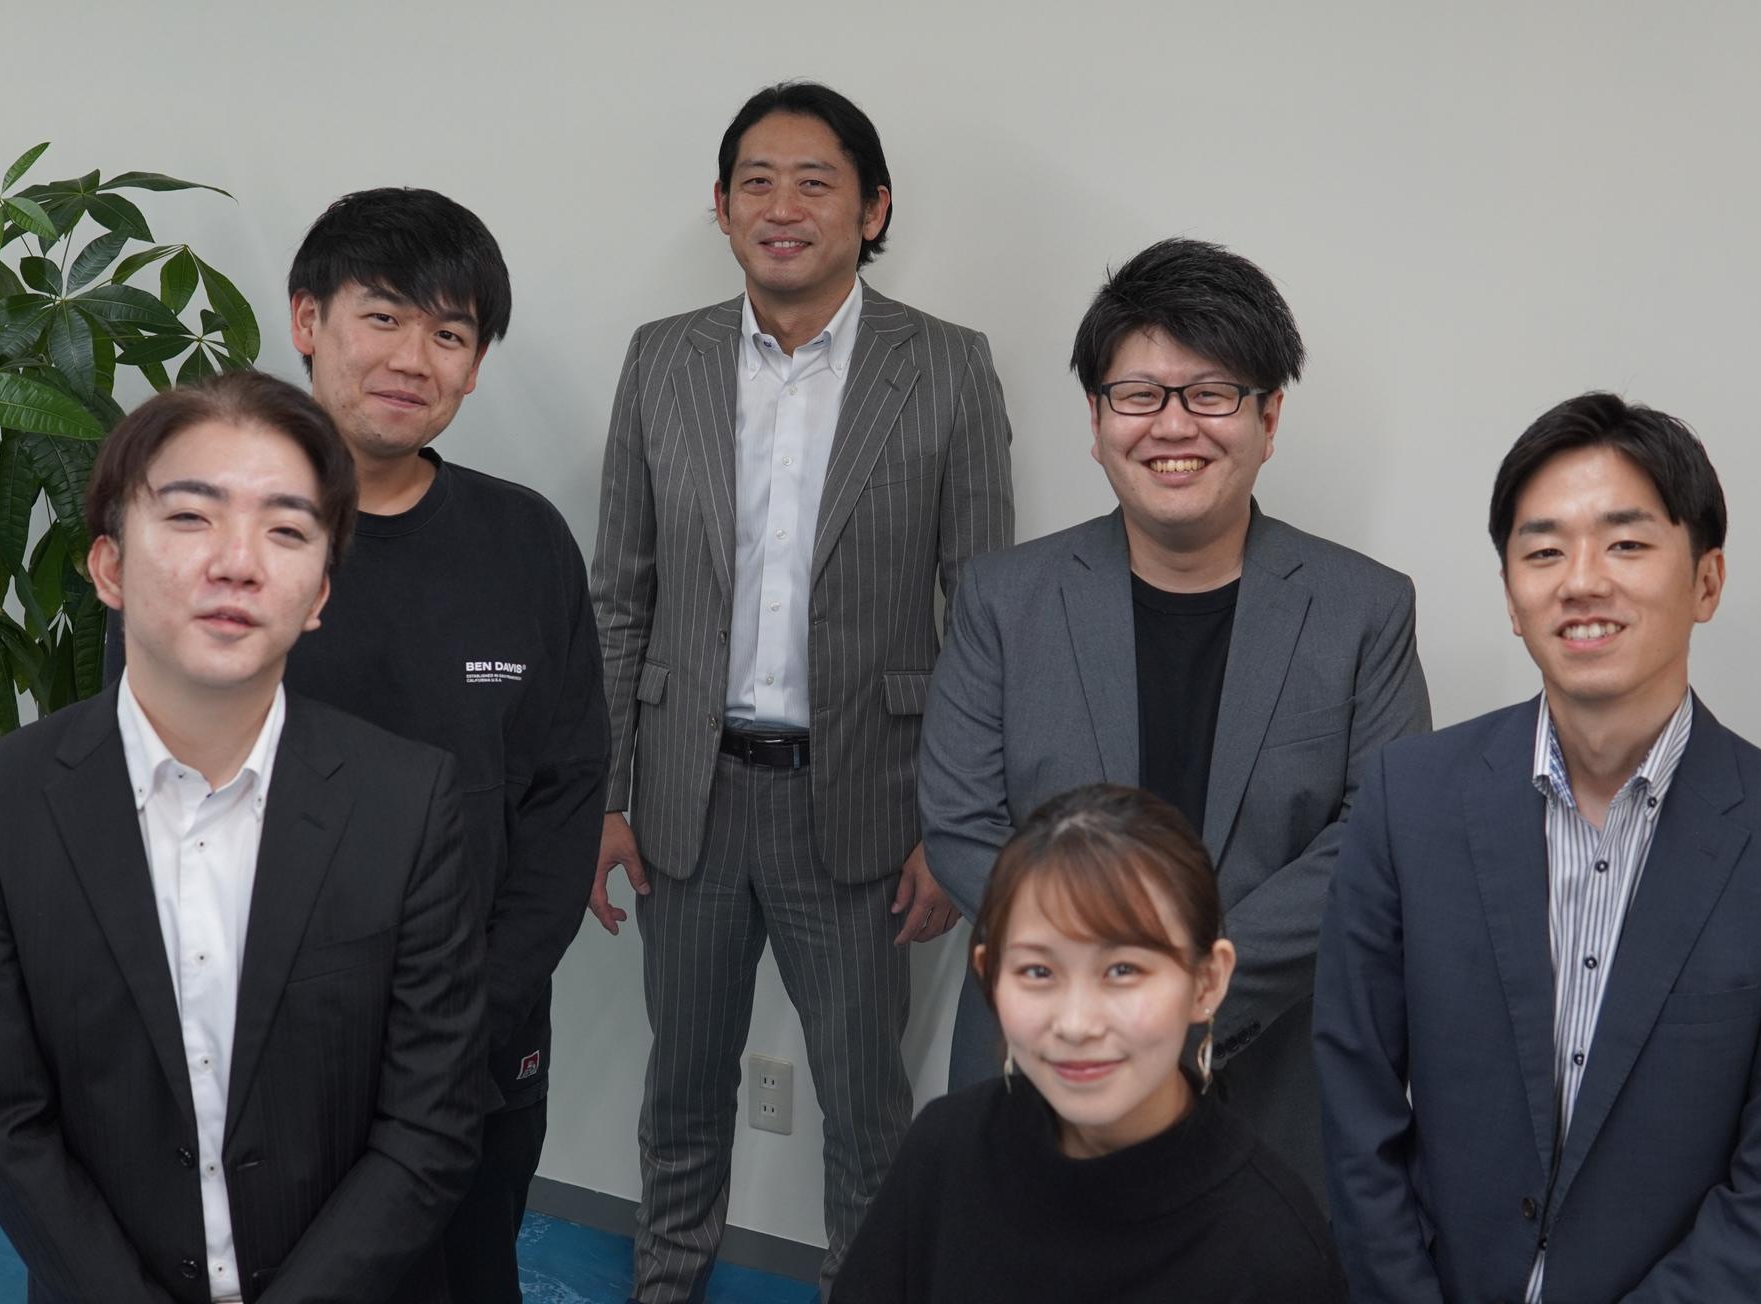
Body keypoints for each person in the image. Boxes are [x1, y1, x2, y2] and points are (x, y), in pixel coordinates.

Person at [589, 81, 1015, 1301]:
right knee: (680, 1091)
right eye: (756, 182)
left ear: (871, 208)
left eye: (814, 181)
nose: (782, 206)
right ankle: (664, 1283)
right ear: (721, 208)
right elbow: (619, 594)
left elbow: (982, 610)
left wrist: (954, 824)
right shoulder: (661, 356)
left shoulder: (945, 365)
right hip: (688, 796)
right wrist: (607, 794)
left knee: (867, 1107)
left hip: (870, 806)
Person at [0, 370, 485, 1303]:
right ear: (109, 566)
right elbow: (4, 1119)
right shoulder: (2, 800)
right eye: (191, 517)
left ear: (319, 593)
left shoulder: (408, 801)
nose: (238, 562)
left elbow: (430, 1123)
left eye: (286, 530)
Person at [918, 236, 1429, 1197]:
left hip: (1266, 1067)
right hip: (1043, 1059)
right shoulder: (1003, 599)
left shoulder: (1364, 609)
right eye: (1140, 394)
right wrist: (1104, 988)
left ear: (1269, 418)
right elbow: (959, 824)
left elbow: (1378, 836)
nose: (1173, 424)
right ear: (1097, 418)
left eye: (1212, 393)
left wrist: (1187, 1000)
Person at [1316, 392, 1761, 1301]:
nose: (1582, 581)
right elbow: (1355, 1100)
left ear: (1706, 582)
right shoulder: (1409, 799)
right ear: (1512, 599)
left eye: (1626, 544)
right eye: (1544, 550)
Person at [282, 187, 609, 1303]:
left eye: (450, 333)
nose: (412, 358)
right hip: (267, 1044)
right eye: (382, 316)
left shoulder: (524, 541)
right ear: (308, 319)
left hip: (477, 1037)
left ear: (474, 367)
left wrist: (480, 1003)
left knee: (466, 1276)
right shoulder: (217, 531)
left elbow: (566, 791)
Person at [835, 784, 1346, 1303]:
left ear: (1207, 982)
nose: (1077, 1024)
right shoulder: (941, 1153)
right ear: (991, 977)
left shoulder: (1275, 1246)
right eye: (1039, 971)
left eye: (1123, 971)